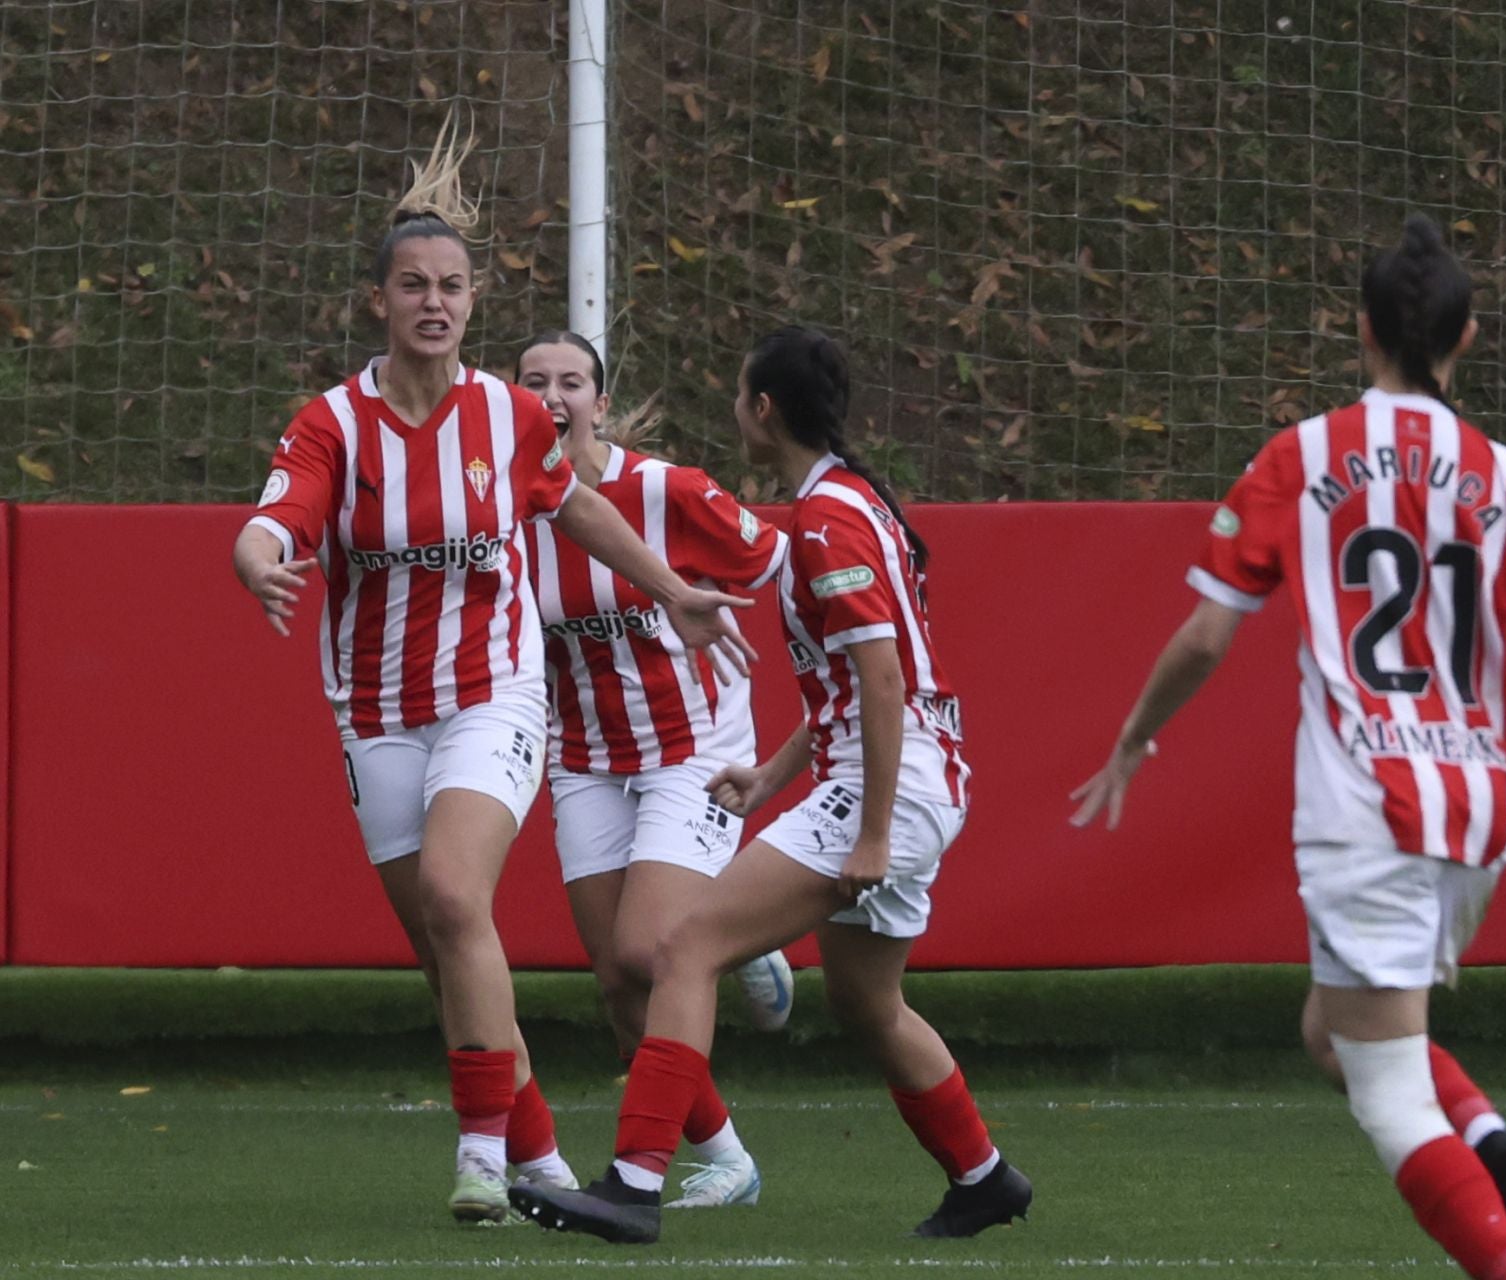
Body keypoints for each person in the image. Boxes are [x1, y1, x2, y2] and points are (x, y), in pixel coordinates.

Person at [1070, 216, 1506, 1280]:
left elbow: (1210, 630)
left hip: (1369, 815)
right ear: (1469, 335)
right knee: (1335, 1030)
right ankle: (1497, 1145)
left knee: (1386, 1090)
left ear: (1361, 330)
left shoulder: (1297, 458)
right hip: (1479, 819)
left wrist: (1133, 735)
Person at [231, 119, 756, 1224]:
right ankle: (543, 1160)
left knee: (455, 895)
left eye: (454, 286)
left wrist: (672, 588)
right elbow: (276, 521)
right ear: (379, 299)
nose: (435, 301)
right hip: (374, 710)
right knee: (445, 950)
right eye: (414, 284)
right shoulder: (332, 424)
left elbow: (584, 509)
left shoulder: (510, 416)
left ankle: (477, 1156)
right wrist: (261, 562)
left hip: (491, 697)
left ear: (472, 301)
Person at [509, 325, 1031, 1245]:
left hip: (892, 789)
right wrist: (774, 774)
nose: (732, 413)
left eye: (739, 397)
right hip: (907, 778)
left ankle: (633, 1184)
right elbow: (849, 682)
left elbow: (881, 678)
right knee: (869, 1002)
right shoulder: (846, 498)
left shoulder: (824, 522)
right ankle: (985, 1177)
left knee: (685, 949)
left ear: (764, 411)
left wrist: (871, 834)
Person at [515, 330, 796, 1209]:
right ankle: (728, 1162)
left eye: (572, 381)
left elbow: (785, 563)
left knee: (652, 949)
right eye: (533, 382)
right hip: (588, 759)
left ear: (601, 402)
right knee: (616, 985)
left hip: (695, 749)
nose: (553, 394)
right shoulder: (506, 509)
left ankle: (733, 929)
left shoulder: (665, 491)